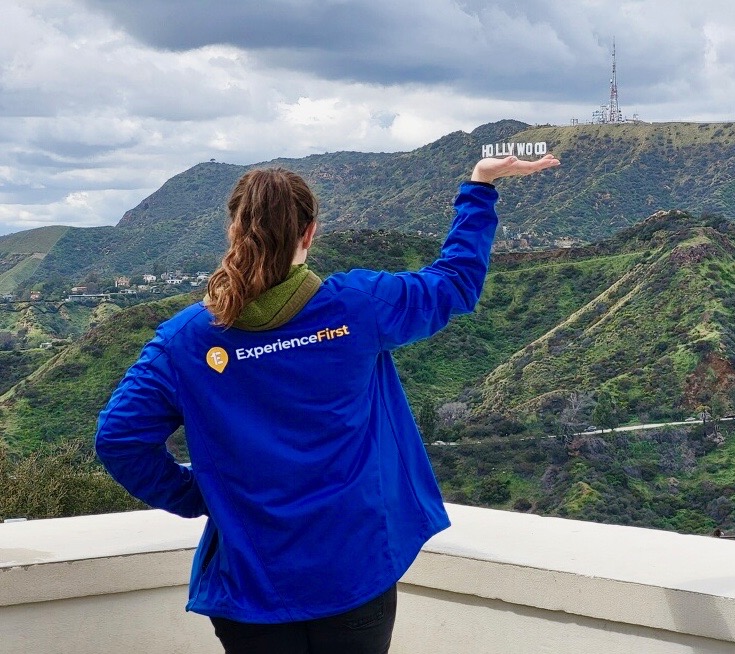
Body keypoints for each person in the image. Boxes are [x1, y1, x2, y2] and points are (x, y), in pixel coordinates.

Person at [94, 153, 561, 654]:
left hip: (252, 588)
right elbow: (453, 285)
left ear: (233, 230)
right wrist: (479, 186)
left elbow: (119, 439)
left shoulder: (185, 340)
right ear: (309, 233)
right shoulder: (356, 306)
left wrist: (199, 494)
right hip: (354, 573)